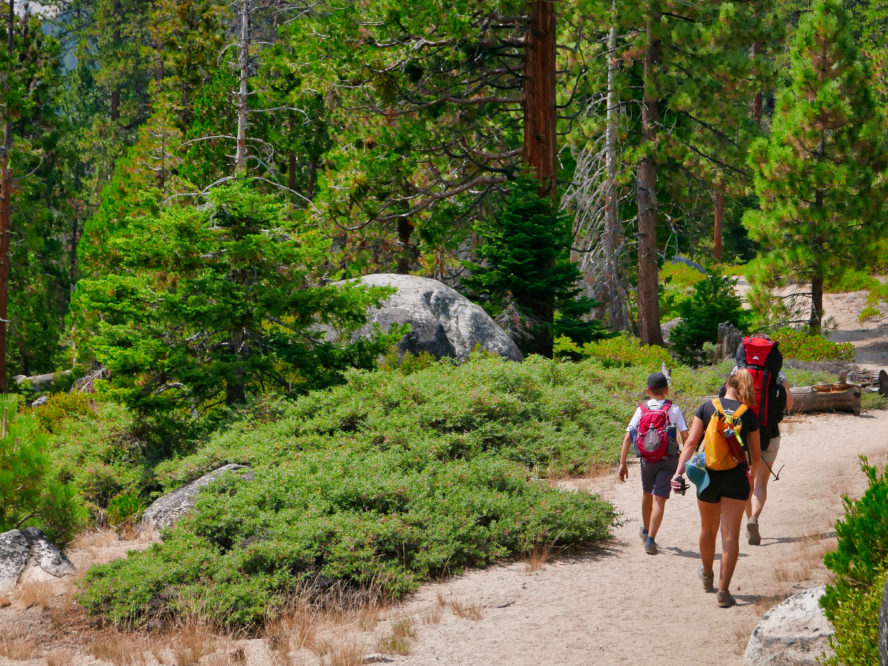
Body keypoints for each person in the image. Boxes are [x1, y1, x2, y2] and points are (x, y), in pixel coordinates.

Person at [672, 369, 761, 608]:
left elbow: (690, 442)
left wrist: (678, 472)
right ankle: (723, 591)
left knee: (707, 530)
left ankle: (708, 576)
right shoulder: (749, 415)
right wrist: (752, 479)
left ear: (727, 383)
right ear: (746, 388)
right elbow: (756, 455)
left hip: (708, 478)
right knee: (730, 535)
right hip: (735, 479)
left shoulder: (707, 407)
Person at [618, 372, 689, 555]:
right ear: (667, 390)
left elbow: (627, 437)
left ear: (648, 390)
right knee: (660, 498)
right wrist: (685, 462)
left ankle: (645, 528)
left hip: (647, 460)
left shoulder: (642, 409)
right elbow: (686, 436)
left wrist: (622, 463)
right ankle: (650, 539)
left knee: (647, 493)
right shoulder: (674, 409)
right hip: (668, 460)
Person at [733, 335, 795, 546]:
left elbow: (725, 399)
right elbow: (789, 405)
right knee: (761, 483)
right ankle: (754, 518)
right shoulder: (778, 374)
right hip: (769, 434)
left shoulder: (737, 370)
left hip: (742, 435)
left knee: (745, 481)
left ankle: (746, 520)